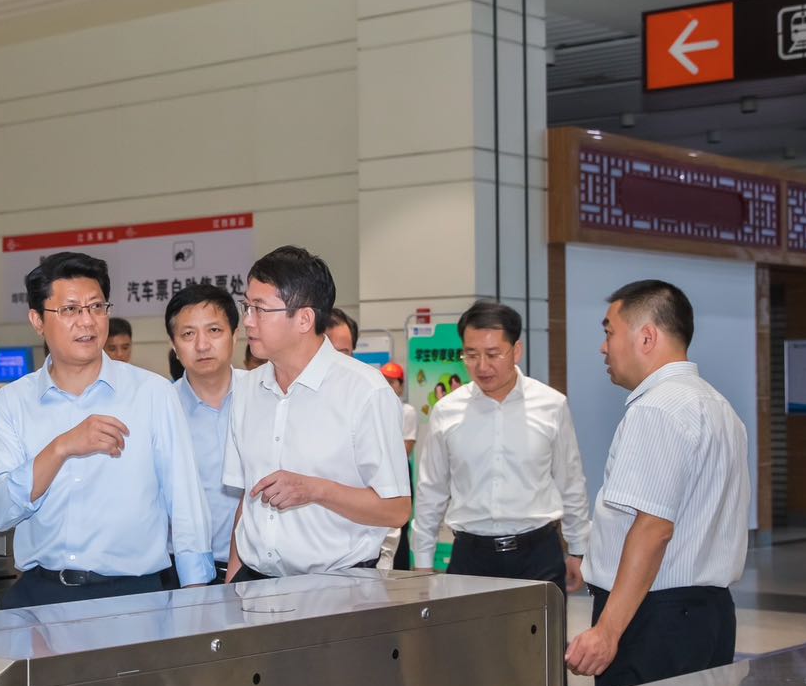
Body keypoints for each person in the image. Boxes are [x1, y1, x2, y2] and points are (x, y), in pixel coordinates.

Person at [0, 251, 214, 607]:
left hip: (134, 598)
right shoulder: (12, 402)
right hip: (41, 597)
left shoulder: (152, 393)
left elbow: (185, 500)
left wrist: (196, 594)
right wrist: (60, 449)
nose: (87, 321)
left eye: (96, 307)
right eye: (70, 310)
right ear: (38, 320)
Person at [565, 280, 749, 686]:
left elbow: (653, 528)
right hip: (710, 616)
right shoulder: (719, 407)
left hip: (654, 620)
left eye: (609, 332)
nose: (603, 347)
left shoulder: (656, 409)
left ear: (646, 336)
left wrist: (608, 631)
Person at [225, 247, 410, 581]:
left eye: (260, 309)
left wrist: (317, 490)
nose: (248, 321)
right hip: (253, 581)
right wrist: (233, 582)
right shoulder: (247, 389)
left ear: (304, 319)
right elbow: (247, 500)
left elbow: (396, 509)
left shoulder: (365, 391)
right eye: (246, 307)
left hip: (338, 586)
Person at [409, 301, 591, 596]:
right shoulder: (446, 411)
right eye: (471, 355)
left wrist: (578, 548)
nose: (482, 366)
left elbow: (570, 481)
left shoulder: (551, 405)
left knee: (539, 630)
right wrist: (422, 561)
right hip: (470, 557)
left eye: (493, 354)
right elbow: (431, 491)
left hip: (538, 556)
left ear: (516, 351)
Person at [167, 283, 250, 568]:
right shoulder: (161, 407)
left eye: (214, 330)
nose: (202, 345)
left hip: (256, 567)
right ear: (174, 345)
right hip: (178, 567)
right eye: (188, 334)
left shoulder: (264, 396)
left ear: (234, 335)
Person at [379, 361, 418, 569]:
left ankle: (401, 569)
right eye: (384, 380)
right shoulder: (375, 408)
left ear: (401, 386)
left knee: (399, 523)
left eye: (392, 382)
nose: (388, 385)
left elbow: (406, 449)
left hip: (398, 472)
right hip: (377, 474)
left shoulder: (407, 411)